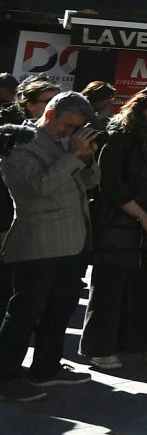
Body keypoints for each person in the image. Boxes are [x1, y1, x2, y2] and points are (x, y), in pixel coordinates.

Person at [0, 92, 100, 400]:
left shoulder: (67, 142)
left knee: (60, 308)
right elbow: (37, 188)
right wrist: (71, 155)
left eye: (76, 127)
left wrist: (86, 159)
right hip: (39, 240)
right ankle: (5, 376)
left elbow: (89, 183)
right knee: (25, 312)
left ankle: (47, 367)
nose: (70, 132)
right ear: (51, 113)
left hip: (73, 239)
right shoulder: (19, 142)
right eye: (67, 125)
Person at [82, 86, 147, 369]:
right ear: (141, 107)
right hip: (118, 225)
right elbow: (110, 185)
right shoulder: (118, 137)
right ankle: (100, 348)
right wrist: (142, 216)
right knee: (108, 290)